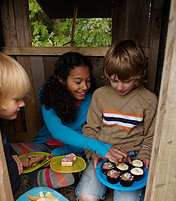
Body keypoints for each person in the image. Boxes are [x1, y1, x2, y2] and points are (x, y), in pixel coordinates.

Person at [11, 52, 130, 189]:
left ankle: (30, 177)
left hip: (72, 154)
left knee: (66, 178)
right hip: (43, 147)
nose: (85, 87)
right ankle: (28, 171)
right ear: (62, 80)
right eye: (78, 82)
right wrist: (100, 147)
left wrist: (60, 153)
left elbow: (88, 135)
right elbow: (57, 131)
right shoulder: (47, 94)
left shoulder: (93, 100)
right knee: (8, 151)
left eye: (88, 80)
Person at [75, 40, 158, 201]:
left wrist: (144, 157)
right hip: (103, 152)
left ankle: (118, 189)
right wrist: (94, 153)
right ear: (107, 75)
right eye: (114, 80)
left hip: (133, 157)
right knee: (87, 200)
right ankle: (106, 185)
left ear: (138, 75)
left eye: (126, 81)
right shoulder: (100, 95)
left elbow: (151, 136)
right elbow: (90, 130)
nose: (119, 87)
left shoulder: (149, 100)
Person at [0, 52, 52, 201]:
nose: (22, 104)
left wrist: (11, 153)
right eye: (16, 99)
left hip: (13, 187)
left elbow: (4, 144)